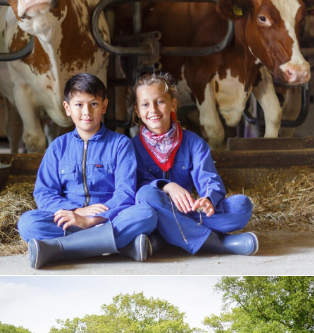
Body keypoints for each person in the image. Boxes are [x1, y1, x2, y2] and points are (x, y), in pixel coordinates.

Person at [18, 73, 157, 269]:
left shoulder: (120, 144)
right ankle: (121, 246)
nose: (87, 112)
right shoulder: (58, 147)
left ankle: (57, 249)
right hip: (70, 219)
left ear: (104, 106)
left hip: (108, 218)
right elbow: (44, 193)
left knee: (146, 214)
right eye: (79, 105)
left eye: (93, 104)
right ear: (67, 108)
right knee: (27, 223)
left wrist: (90, 220)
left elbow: (125, 193)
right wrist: (77, 213)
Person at [130, 72, 257, 255]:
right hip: (152, 211)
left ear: (173, 104)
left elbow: (209, 178)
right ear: (137, 111)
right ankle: (218, 243)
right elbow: (135, 186)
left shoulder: (193, 142)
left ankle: (164, 238)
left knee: (241, 206)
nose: (153, 110)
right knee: (146, 194)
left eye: (160, 102)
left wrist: (208, 199)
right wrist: (167, 186)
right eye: (145, 104)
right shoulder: (131, 147)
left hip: (187, 212)